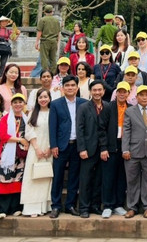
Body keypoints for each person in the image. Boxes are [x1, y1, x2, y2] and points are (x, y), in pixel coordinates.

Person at [48, 75, 86, 218]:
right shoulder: (56, 104)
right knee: (57, 177)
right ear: (63, 88)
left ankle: (70, 205)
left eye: (73, 85)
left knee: (74, 177)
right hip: (61, 146)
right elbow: (52, 126)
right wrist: (53, 145)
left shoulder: (84, 103)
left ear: (77, 87)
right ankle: (56, 206)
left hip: (77, 146)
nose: (70, 88)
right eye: (67, 85)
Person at [122, 84, 147, 218]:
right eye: (141, 95)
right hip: (133, 151)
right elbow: (126, 130)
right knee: (132, 180)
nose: (144, 97)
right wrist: (125, 149)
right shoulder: (130, 111)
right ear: (136, 97)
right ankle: (132, 207)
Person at [76, 80, 107, 218]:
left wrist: (106, 147)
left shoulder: (107, 106)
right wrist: (82, 148)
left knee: (99, 179)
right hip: (88, 149)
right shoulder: (83, 107)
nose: (97, 92)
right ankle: (84, 207)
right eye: (94, 90)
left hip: (103, 150)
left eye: (100, 90)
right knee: (86, 180)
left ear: (104, 91)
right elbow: (80, 129)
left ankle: (95, 205)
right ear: (90, 91)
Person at [0, 93, 28, 217]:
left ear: (24, 104)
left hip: (21, 156)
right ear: (11, 104)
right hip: (7, 155)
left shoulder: (27, 118)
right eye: (15, 102)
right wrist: (20, 140)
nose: (18, 104)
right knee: (4, 179)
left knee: (17, 180)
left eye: (20, 102)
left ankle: (15, 208)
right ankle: (2, 209)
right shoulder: (5, 118)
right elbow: (3, 135)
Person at [99, 81, 130, 218]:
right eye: (120, 91)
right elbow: (101, 129)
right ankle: (107, 205)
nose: (122, 94)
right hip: (110, 146)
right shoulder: (108, 107)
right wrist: (103, 147)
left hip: (124, 146)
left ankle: (118, 204)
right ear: (116, 93)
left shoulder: (131, 108)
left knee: (121, 177)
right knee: (108, 177)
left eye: (124, 92)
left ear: (128, 93)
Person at [21, 88, 53, 217]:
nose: (43, 99)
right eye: (41, 97)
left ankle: (45, 206)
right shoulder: (32, 113)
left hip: (49, 149)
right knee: (33, 177)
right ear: (37, 99)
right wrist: (37, 148)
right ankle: (32, 207)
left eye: (46, 97)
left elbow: (55, 130)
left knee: (46, 177)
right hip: (35, 149)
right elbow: (29, 132)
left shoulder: (53, 112)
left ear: (50, 98)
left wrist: (50, 147)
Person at [35, 5, 62, 73]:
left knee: (44, 58)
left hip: (45, 41)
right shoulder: (56, 21)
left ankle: (46, 73)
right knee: (53, 59)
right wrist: (58, 42)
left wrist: (37, 42)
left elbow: (39, 32)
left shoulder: (42, 20)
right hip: (54, 41)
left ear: (44, 12)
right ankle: (53, 74)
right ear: (52, 12)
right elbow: (59, 33)